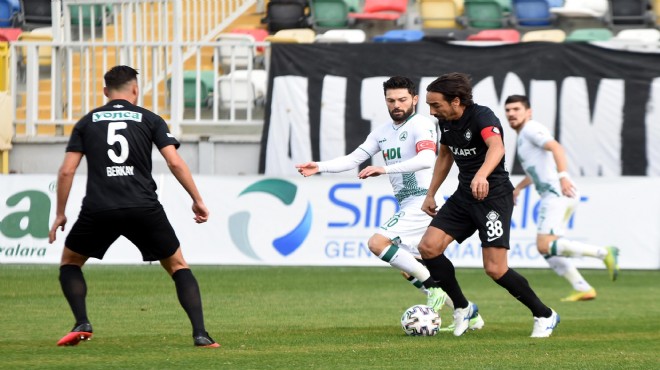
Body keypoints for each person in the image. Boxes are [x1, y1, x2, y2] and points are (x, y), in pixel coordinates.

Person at [48, 65, 219, 348]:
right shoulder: (150, 119)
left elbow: (67, 171)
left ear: (105, 92)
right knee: (178, 266)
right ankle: (201, 334)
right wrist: (197, 199)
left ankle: (82, 322)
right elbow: (174, 162)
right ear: (135, 90)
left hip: (99, 209)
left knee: (70, 263)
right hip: (143, 207)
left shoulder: (87, 122)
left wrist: (60, 213)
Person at [295, 76, 483, 330]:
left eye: (402, 99)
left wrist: (384, 169)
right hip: (407, 203)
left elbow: (427, 159)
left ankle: (433, 288)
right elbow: (354, 159)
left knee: (378, 243)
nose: (397, 105)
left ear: (415, 100)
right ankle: (468, 312)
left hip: (423, 201)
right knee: (409, 266)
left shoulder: (422, 124)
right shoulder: (382, 132)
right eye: (391, 100)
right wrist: (319, 166)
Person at [418, 72, 559, 338]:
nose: (431, 110)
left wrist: (482, 174)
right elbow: (445, 156)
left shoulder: (482, 116)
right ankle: (463, 307)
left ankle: (545, 314)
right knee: (428, 248)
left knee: (495, 269)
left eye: (435, 105)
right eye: (429, 105)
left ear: (456, 101)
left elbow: (497, 147)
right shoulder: (445, 122)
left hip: (493, 197)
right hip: (464, 196)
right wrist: (431, 193)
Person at [504, 94, 619, 302]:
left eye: (516, 109)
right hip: (557, 194)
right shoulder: (523, 136)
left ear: (528, 112)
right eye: (508, 110)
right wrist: (518, 188)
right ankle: (583, 287)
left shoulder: (531, 128)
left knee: (544, 245)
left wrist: (563, 176)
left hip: (558, 194)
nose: (511, 113)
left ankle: (604, 252)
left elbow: (556, 147)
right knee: (548, 248)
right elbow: (535, 170)